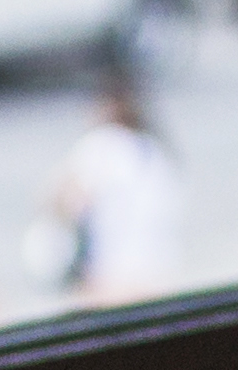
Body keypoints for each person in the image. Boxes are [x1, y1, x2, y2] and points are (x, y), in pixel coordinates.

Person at [44, 62, 179, 305]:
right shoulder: (157, 152)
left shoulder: (100, 146)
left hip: (108, 282)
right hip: (156, 278)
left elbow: (67, 202)